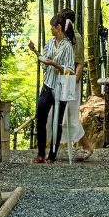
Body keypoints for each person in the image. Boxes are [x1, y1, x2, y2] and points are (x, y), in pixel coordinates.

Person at [28, 14, 75, 163]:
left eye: (52, 27)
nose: (50, 30)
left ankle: (52, 156)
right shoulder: (49, 43)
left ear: (59, 28)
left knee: (57, 122)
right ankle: (41, 153)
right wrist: (35, 51)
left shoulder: (67, 46)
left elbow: (70, 71)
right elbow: (44, 60)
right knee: (40, 117)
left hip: (61, 87)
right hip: (47, 85)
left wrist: (55, 65)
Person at [55, 7, 94, 161]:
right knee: (59, 114)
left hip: (70, 82)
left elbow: (79, 63)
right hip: (61, 81)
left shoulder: (76, 37)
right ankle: (52, 150)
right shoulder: (62, 37)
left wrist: (73, 82)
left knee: (70, 116)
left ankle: (88, 147)